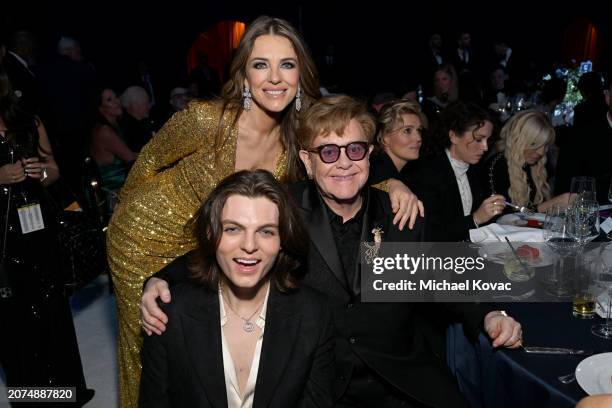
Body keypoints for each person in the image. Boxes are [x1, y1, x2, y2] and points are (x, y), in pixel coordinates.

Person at [142, 95, 524, 408]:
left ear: (370, 156)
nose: (343, 163)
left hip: (401, 382)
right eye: (328, 152)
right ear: (307, 161)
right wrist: (161, 279)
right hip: (319, 384)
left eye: (355, 150)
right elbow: (221, 250)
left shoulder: (401, 215)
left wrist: (489, 313)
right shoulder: (283, 210)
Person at [139, 170, 333, 407]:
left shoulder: (314, 315)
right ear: (212, 234)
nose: (249, 246)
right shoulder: (169, 316)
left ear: (282, 241)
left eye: (266, 231)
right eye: (233, 229)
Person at [0, 65, 94, 405]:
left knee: (53, 308)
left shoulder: (29, 120)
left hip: (39, 226)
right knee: (14, 320)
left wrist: (42, 173)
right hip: (3, 239)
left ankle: (65, 393)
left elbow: (54, 170)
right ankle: (32, 399)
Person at [412, 101, 506, 242]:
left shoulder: (475, 169)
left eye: (488, 140)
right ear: (454, 136)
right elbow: (429, 234)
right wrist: (476, 218)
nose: (485, 147)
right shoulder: (428, 173)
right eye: (479, 139)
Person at [485, 110, 573, 213]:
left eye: (545, 145)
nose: (541, 152)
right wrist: (547, 206)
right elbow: (499, 218)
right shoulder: (498, 165)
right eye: (534, 143)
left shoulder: (535, 165)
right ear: (518, 139)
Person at [90, 87, 136, 211]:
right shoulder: (104, 131)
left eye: (116, 96)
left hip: (122, 191)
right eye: (110, 100)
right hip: (114, 197)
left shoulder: (115, 126)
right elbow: (131, 158)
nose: (117, 101)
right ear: (101, 108)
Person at [369, 99, 427, 186]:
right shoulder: (376, 174)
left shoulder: (406, 174)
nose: (418, 138)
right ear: (385, 138)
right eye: (407, 131)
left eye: (419, 130)